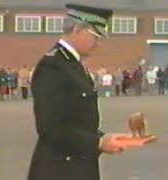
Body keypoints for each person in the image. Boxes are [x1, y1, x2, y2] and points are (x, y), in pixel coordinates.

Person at [27, 4, 129, 180]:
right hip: (60, 169)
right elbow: (51, 128)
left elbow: (77, 121)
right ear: (76, 29)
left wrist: (104, 137)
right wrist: (98, 143)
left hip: (77, 166)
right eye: (95, 36)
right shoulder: (53, 66)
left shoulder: (72, 65)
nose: (98, 43)